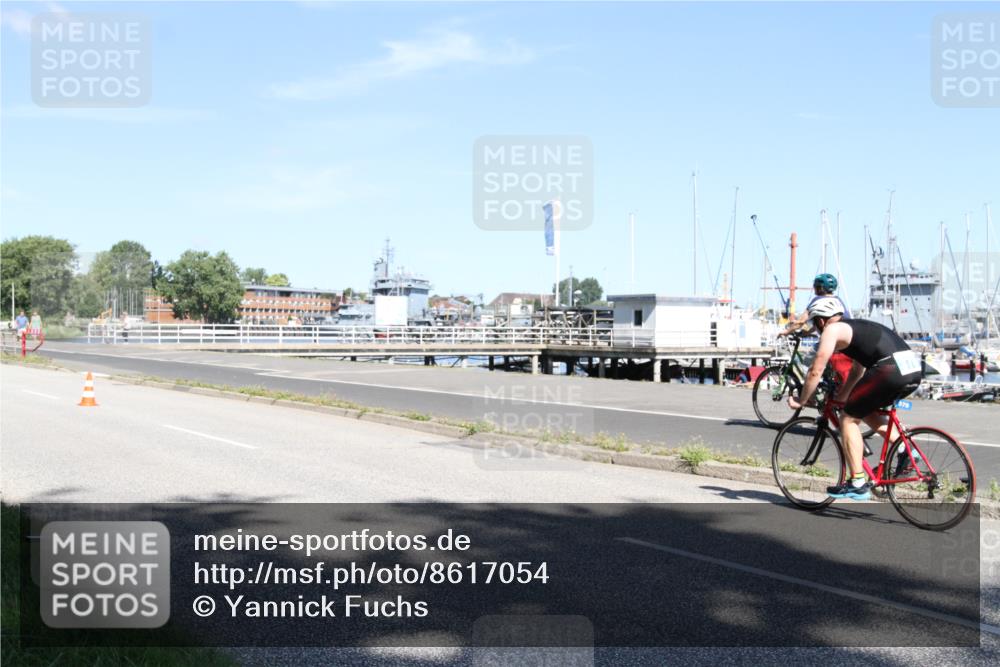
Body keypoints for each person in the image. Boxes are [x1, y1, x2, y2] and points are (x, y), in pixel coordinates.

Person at [787, 297, 922, 500]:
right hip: (912, 369)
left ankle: (857, 482)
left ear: (821, 321)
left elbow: (816, 369)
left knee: (847, 419)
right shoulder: (855, 328)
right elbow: (857, 370)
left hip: (890, 369)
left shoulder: (831, 331)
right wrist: (843, 396)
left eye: (815, 324)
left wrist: (803, 400)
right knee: (864, 410)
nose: (816, 330)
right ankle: (906, 449)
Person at [779, 273, 854, 383]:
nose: (814, 288)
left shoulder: (817, 301)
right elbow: (821, 322)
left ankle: (810, 396)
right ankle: (825, 388)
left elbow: (800, 322)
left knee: (805, 365)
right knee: (828, 370)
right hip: (846, 340)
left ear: (820, 287)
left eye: (815, 285)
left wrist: (786, 332)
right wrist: (807, 333)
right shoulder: (838, 300)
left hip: (830, 340)